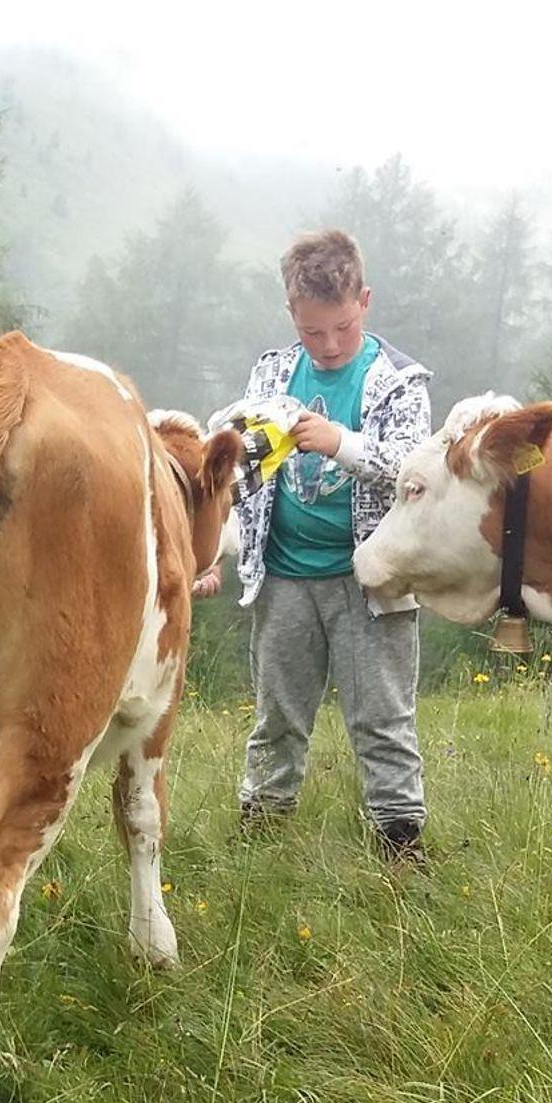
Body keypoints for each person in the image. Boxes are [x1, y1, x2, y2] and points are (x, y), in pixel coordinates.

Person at [196, 229, 432, 861]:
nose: (328, 345)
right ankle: (262, 832)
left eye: (343, 328)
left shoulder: (399, 382)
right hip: (282, 575)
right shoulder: (272, 372)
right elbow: (234, 463)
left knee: (382, 718)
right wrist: (211, 550)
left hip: (373, 582)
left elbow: (415, 469)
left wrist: (340, 443)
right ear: (291, 315)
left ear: (365, 301)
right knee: (277, 714)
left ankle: (399, 842)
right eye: (312, 332)